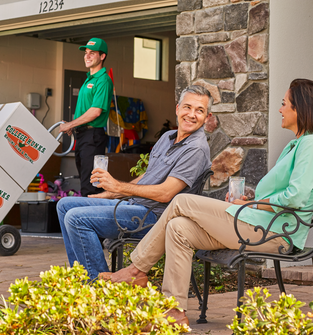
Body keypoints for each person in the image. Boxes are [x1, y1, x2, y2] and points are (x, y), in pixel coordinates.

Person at [108, 79, 313, 329]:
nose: (280, 109)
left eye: (284, 104)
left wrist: (256, 206)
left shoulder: (310, 145)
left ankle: (136, 270)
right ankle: (174, 313)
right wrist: (250, 202)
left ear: (300, 109)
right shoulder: (295, 144)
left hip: (277, 234)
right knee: (178, 228)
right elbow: (282, 195)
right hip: (256, 224)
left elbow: (296, 196)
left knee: (182, 200)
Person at [57, 85, 214, 281]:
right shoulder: (167, 137)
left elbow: (166, 193)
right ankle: (80, 277)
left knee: (76, 219)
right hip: (135, 206)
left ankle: (98, 287)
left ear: (207, 117)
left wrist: (119, 186)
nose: (191, 115)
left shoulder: (196, 149)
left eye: (199, 110)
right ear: (177, 109)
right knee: (64, 205)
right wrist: (114, 193)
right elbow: (148, 175)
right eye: (187, 107)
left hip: (155, 218)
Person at [59, 38, 113, 197]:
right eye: (86, 53)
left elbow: (95, 111)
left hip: (93, 136)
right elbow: (86, 111)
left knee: (92, 185)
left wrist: (70, 125)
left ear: (102, 56)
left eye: (92, 53)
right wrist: (73, 125)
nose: (87, 56)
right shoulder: (88, 79)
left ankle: (91, 220)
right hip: (83, 135)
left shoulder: (103, 80)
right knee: (85, 180)